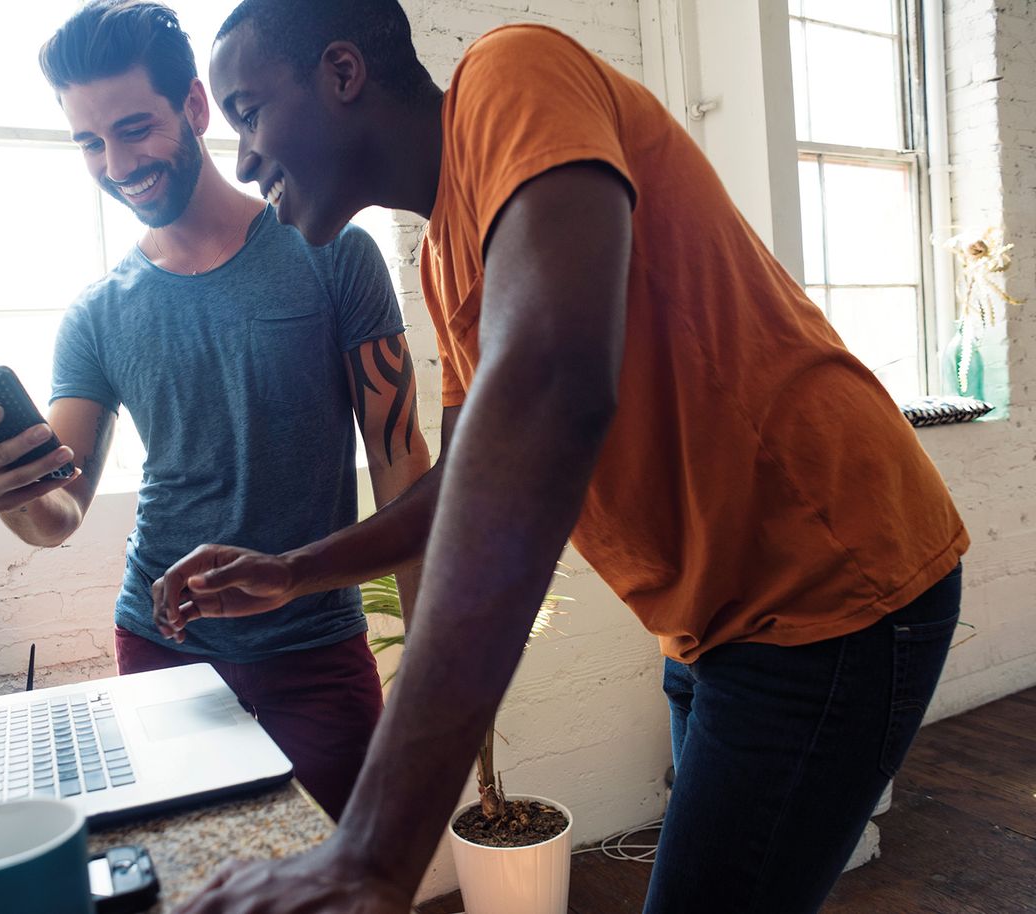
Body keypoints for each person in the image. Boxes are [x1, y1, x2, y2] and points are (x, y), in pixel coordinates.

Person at [154, 1, 970, 912]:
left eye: (249, 112)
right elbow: (467, 479)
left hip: (830, 581)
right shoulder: (445, 255)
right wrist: (297, 570)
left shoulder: (512, 73)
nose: (244, 158)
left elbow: (548, 390)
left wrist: (372, 852)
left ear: (343, 74)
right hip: (714, 618)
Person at [0, 0, 430, 822]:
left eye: (135, 128)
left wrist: (435, 655)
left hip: (316, 651)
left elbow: (399, 465)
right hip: (160, 651)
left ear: (196, 108)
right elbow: (58, 513)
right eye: (90, 143)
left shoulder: (331, 252)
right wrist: (10, 491)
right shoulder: (97, 312)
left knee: (354, 883)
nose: (116, 161)